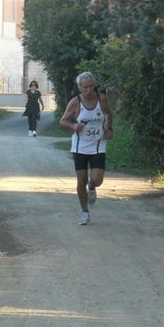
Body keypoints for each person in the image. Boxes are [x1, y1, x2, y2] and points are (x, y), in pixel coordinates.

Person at [59, 71, 113, 225]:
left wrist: (110, 129)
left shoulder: (102, 99)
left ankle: (92, 185)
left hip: (98, 144)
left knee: (97, 179)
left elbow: (109, 114)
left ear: (94, 85)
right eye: (85, 88)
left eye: (91, 87)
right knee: (80, 179)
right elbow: (63, 121)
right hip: (80, 146)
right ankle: (84, 211)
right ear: (79, 88)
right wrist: (73, 125)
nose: (89, 90)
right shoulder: (75, 102)